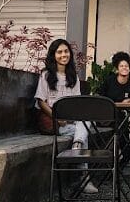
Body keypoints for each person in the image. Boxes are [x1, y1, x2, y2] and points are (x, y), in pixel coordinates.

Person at [34, 38, 96, 193]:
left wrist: (72, 117)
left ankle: (76, 145)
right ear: (54, 55)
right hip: (54, 122)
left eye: (66, 51)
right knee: (84, 133)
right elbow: (41, 101)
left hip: (71, 121)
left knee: (86, 121)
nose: (63, 55)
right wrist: (57, 117)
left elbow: (77, 103)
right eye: (59, 52)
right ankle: (85, 178)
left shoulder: (73, 76)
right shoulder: (46, 75)